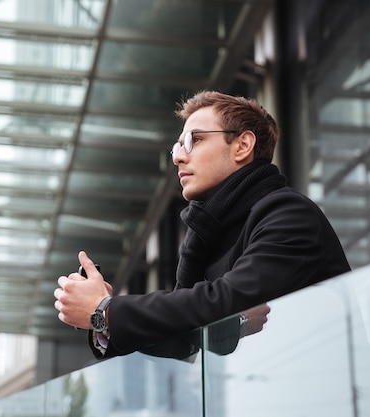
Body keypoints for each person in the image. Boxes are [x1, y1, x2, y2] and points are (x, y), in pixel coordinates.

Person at [54, 91, 351, 359]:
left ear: (242, 146)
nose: (179, 157)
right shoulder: (209, 235)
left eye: (194, 140)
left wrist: (105, 310)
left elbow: (224, 301)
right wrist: (101, 313)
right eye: (177, 147)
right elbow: (183, 334)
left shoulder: (288, 214)